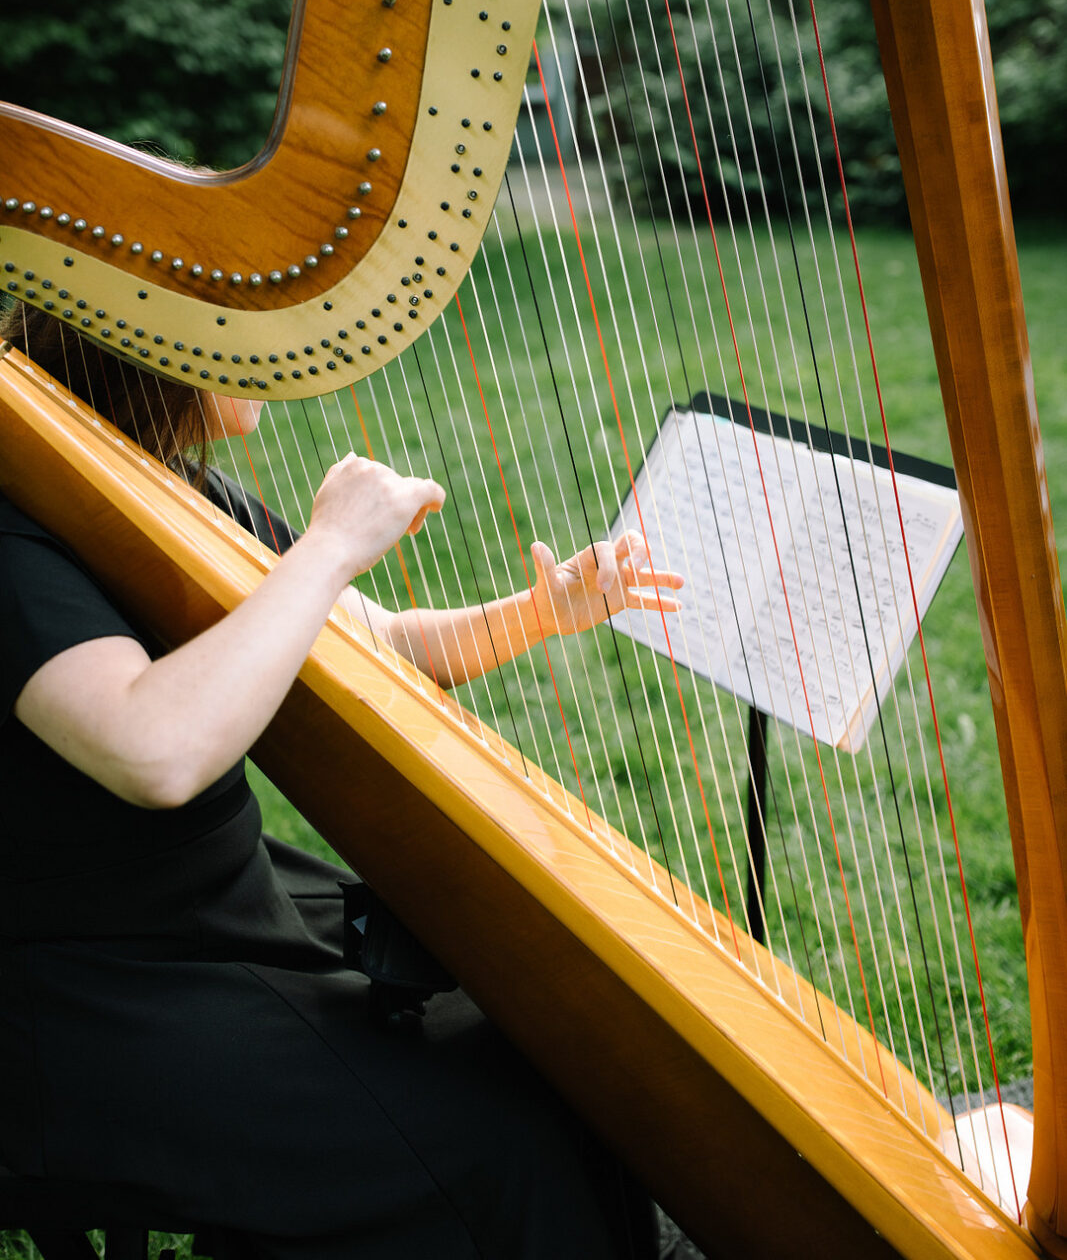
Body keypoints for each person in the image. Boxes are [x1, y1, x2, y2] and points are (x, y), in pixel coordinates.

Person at [0, 303, 683, 1260]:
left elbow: (374, 642)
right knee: (494, 1143)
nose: (275, 349)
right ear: (152, 344)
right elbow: (155, 752)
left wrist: (542, 611)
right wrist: (324, 546)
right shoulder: (16, 530)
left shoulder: (145, 476)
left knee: (553, 1044)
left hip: (210, 904)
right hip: (84, 986)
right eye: (236, 319)